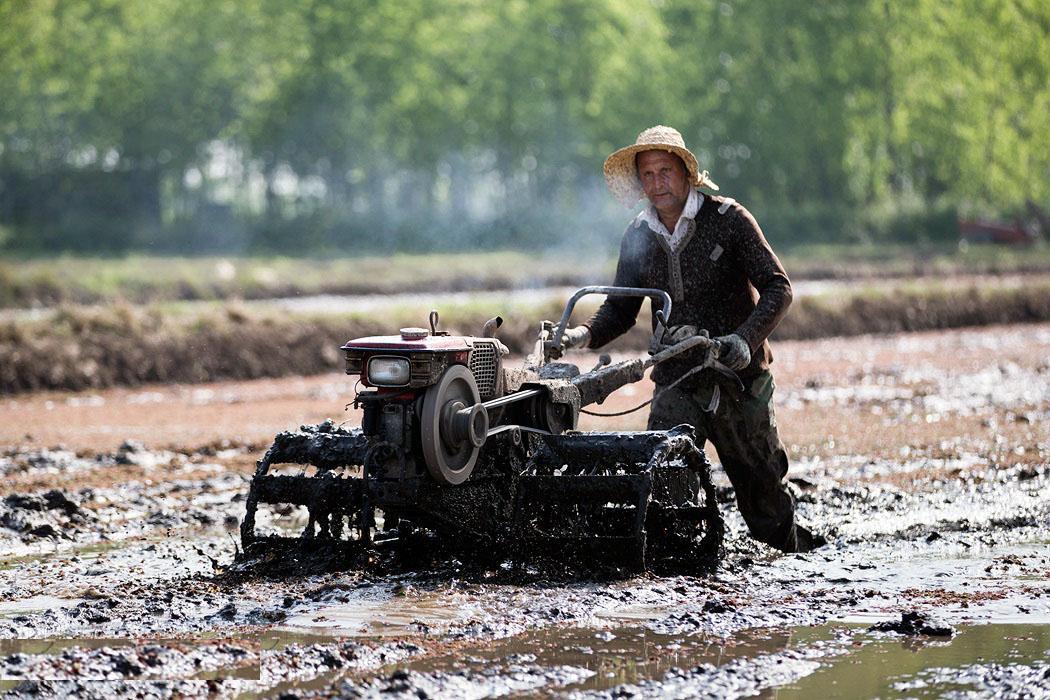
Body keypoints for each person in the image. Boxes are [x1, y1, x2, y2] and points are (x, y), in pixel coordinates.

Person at [560, 125, 822, 553]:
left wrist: (744, 339)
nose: (657, 182)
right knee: (664, 487)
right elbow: (621, 308)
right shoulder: (638, 234)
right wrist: (581, 335)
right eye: (647, 174)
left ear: (687, 175)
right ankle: (678, 572)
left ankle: (791, 563)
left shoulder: (728, 220)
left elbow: (779, 287)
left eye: (665, 171)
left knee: (764, 498)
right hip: (677, 379)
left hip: (737, 379)